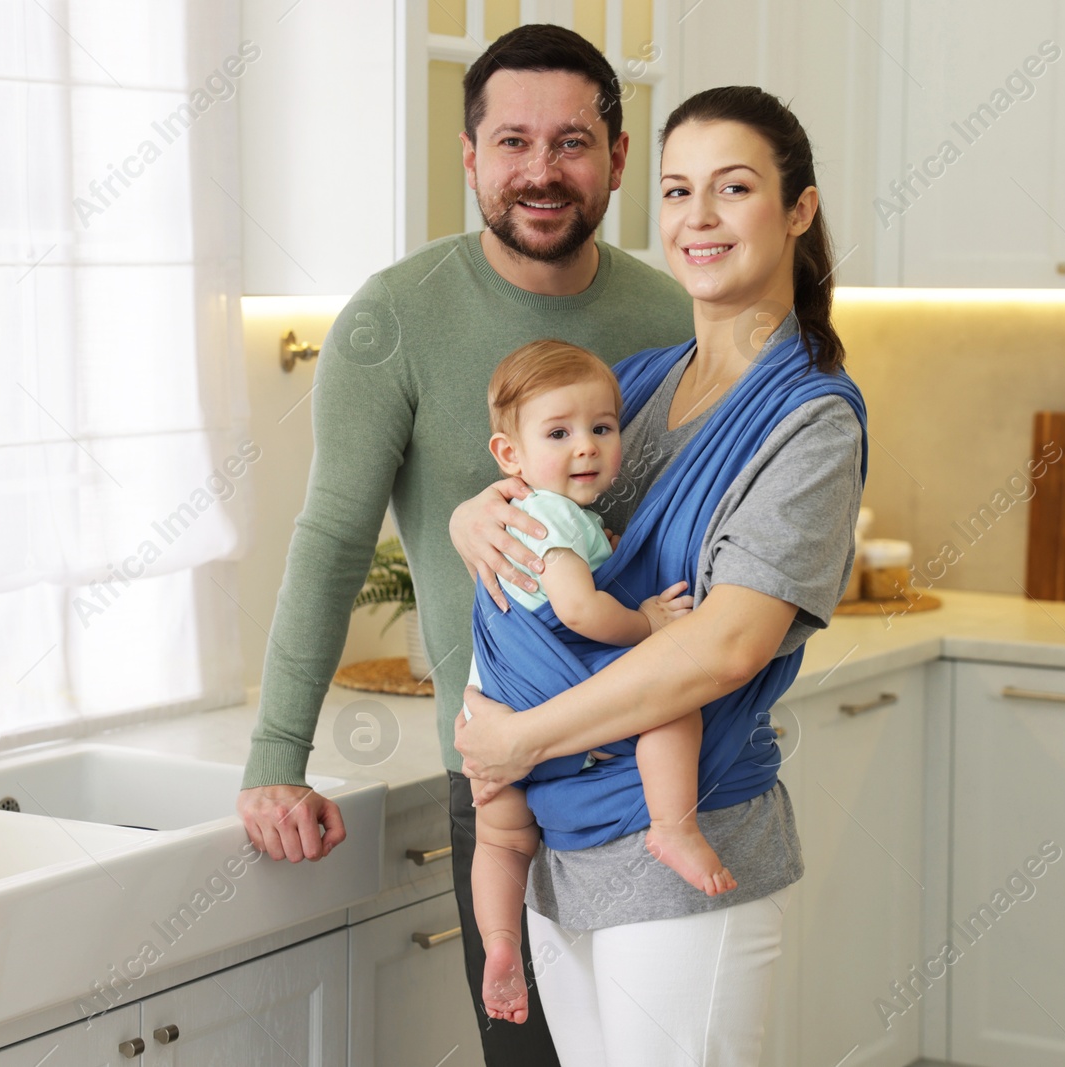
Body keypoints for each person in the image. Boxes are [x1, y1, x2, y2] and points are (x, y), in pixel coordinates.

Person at [234, 23, 693, 1065]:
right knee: (527, 1054)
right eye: (513, 141)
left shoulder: (669, 312)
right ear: (469, 155)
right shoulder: (390, 320)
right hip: (501, 766)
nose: (541, 170)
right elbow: (330, 541)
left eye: (572, 142)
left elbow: (685, 531)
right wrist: (276, 757)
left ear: (619, 157)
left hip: (664, 757)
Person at [450, 85, 867, 1065]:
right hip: (566, 838)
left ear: (797, 209)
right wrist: (478, 510)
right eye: (678, 191)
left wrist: (515, 739)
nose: (699, 218)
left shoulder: (808, 422)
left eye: (733, 188)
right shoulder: (629, 386)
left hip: (683, 847)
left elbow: (724, 643)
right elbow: (529, 488)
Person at [464, 339, 736, 1025]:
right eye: (559, 432)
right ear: (510, 455)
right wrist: (647, 623)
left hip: (489, 706)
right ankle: (673, 824)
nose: (586, 446)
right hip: (543, 689)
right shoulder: (551, 516)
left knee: (499, 837)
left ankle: (499, 944)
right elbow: (578, 609)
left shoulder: (530, 516)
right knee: (672, 698)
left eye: (602, 427)